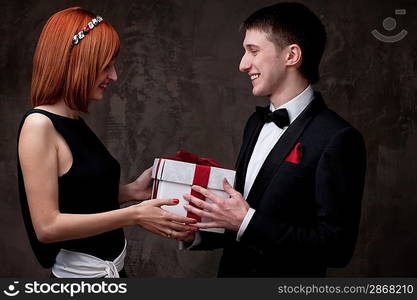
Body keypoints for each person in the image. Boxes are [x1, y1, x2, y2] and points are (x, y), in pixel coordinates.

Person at [182, 2, 367, 277]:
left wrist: (246, 221)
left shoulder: (338, 138)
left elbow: (336, 248)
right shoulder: (255, 123)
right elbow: (242, 221)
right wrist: (194, 233)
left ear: (291, 55)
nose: (243, 64)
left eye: (253, 51)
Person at [17, 7, 196, 278]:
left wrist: (131, 192)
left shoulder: (74, 121)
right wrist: (134, 215)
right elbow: (47, 227)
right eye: (106, 66)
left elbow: (77, 198)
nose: (114, 76)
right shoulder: (39, 125)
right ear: (77, 63)